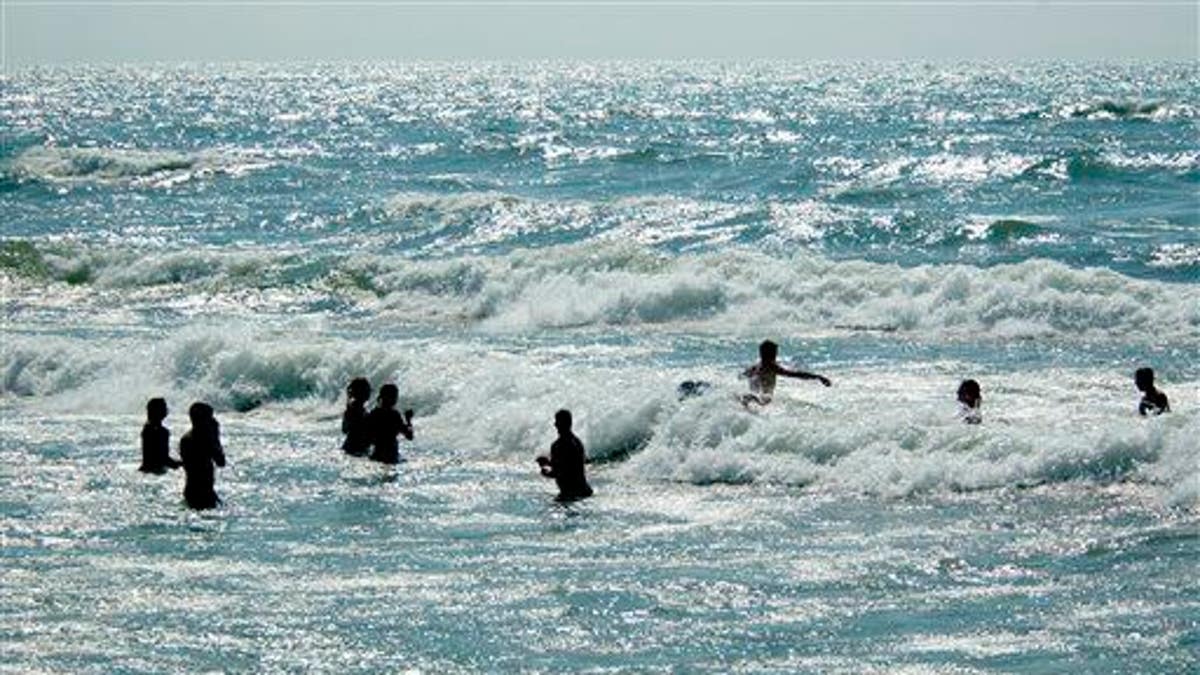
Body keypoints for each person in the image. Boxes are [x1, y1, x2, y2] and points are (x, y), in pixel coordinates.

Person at [741, 340, 831, 406]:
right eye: (775, 353)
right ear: (771, 354)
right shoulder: (771, 366)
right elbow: (794, 374)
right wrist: (818, 377)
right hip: (762, 402)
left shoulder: (754, 368)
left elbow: (740, 377)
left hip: (756, 401)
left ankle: (749, 399)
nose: (776, 356)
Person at [536, 409, 593, 502]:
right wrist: (548, 463)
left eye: (557, 421)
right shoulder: (577, 442)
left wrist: (544, 470)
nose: (555, 424)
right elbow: (571, 466)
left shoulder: (558, 445)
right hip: (584, 491)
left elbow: (558, 473)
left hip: (570, 494)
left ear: (562, 423)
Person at [179, 402, 226, 510]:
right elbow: (221, 462)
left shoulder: (186, 439)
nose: (213, 421)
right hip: (203, 492)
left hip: (192, 490)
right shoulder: (205, 441)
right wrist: (215, 437)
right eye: (210, 418)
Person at [367, 383, 414, 465]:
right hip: (391, 454)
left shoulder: (374, 413)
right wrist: (408, 420)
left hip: (377, 453)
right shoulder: (394, 415)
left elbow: (368, 437)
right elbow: (409, 436)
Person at [139, 397, 181, 474]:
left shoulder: (148, 428)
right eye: (164, 408)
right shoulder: (160, 431)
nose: (166, 410)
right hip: (155, 470)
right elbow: (162, 458)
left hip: (148, 470)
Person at [341, 377, 373, 456]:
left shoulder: (350, 409)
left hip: (350, 446)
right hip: (357, 447)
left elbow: (344, 430)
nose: (370, 392)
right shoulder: (360, 411)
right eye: (368, 390)